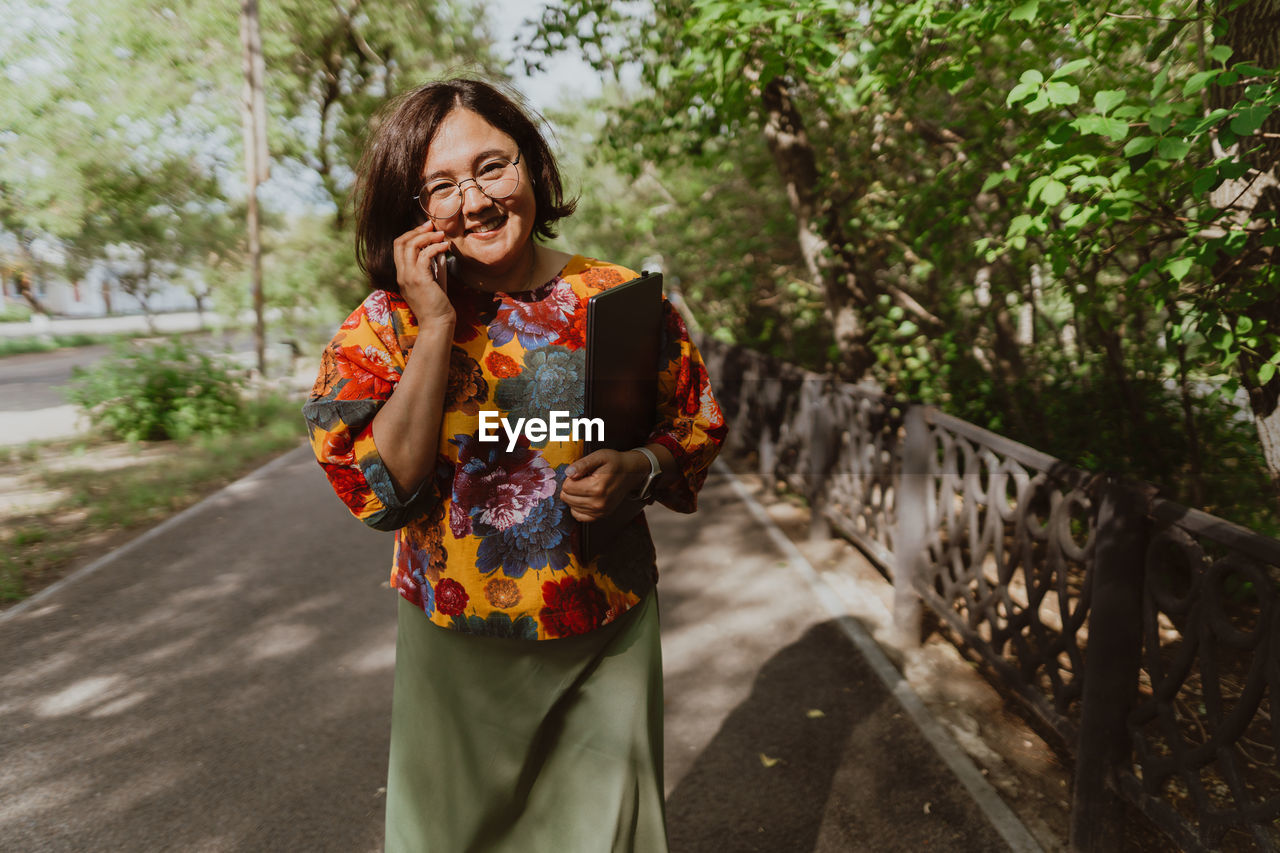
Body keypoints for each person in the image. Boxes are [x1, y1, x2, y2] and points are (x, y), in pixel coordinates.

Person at [303, 77, 727, 852]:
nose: (474, 200)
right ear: (414, 210)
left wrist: (641, 466)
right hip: (455, 638)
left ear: (530, 165)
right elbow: (379, 492)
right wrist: (435, 328)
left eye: (492, 167)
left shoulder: (621, 297)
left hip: (605, 627)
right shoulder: (385, 324)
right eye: (441, 186)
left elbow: (693, 422)